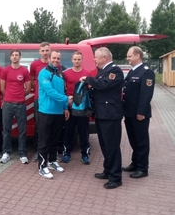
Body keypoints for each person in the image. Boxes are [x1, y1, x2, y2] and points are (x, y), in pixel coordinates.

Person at [80, 47, 124, 189]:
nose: (94, 60)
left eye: (96, 57)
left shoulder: (114, 70)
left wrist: (88, 79)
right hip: (101, 113)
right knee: (105, 145)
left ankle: (116, 177)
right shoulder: (103, 71)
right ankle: (108, 170)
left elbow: (103, 85)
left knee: (112, 146)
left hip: (110, 114)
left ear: (104, 58)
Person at [37, 50, 73, 179]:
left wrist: (65, 107)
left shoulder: (60, 74)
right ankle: (42, 166)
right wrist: (66, 100)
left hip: (58, 112)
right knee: (44, 140)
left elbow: (63, 91)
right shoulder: (43, 73)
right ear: (49, 58)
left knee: (54, 139)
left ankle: (52, 161)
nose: (56, 60)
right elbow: (50, 92)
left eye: (58, 58)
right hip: (46, 112)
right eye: (54, 58)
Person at [122, 46, 155, 178]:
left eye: (129, 56)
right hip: (129, 113)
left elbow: (146, 95)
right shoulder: (132, 72)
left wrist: (141, 112)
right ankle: (135, 163)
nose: (128, 58)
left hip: (139, 114)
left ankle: (143, 168)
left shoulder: (146, 72)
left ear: (137, 56)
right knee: (133, 140)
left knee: (141, 141)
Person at [0, 49, 31, 164]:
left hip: (21, 104)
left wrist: (19, 96)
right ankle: (6, 153)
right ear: (10, 57)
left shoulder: (24, 71)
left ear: (20, 57)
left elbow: (28, 88)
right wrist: (9, 96)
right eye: (12, 55)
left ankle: (22, 154)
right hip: (7, 104)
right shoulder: (5, 70)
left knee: (22, 130)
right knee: (6, 130)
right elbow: (2, 87)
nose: (14, 57)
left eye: (16, 55)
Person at [62, 51, 91, 164]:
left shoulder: (87, 73)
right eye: (75, 59)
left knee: (83, 133)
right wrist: (65, 107)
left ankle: (85, 155)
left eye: (79, 59)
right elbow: (63, 91)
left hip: (82, 109)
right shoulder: (66, 73)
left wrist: (89, 108)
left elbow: (90, 91)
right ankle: (66, 154)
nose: (77, 61)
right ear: (71, 60)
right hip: (70, 108)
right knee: (68, 132)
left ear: (82, 60)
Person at [29, 42, 51, 162]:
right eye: (43, 51)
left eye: (47, 50)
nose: (45, 53)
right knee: (39, 126)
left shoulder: (55, 64)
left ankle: (51, 151)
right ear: (39, 52)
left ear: (50, 51)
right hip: (39, 99)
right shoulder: (34, 64)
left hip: (52, 100)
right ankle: (38, 151)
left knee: (51, 127)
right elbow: (32, 81)